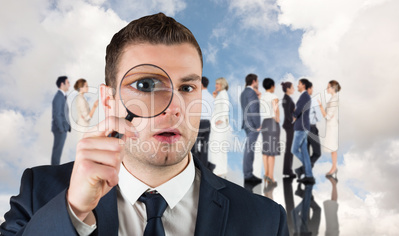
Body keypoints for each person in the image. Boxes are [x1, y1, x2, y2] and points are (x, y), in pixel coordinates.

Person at [1, 13, 288, 236]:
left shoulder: (264, 219)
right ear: (109, 99)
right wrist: (73, 212)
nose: (174, 108)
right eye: (146, 84)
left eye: (187, 88)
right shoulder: (40, 192)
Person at [295, 81, 322, 179]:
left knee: (307, 154)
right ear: (308, 88)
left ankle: (304, 172)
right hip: (312, 128)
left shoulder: (302, 100)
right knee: (317, 153)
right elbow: (319, 117)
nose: (312, 91)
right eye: (312, 88)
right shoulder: (313, 101)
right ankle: (302, 170)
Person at [240, 73, 262, 184]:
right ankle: (248, 175)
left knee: (249, 148)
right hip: (252, 124)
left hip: (246, 123)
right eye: (257, 81)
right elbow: (253, 109)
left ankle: (248, 173)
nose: (257, 82)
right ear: (253, 81)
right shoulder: (251, 93)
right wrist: (258, 125)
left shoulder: (244, 93)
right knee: (249, 149)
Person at [292, 78, 314, 184]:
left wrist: (293, 115)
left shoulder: (304, 96)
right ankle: (309, 175)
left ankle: (307, 169)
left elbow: (299, 109)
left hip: (301, 128)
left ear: (303, 85)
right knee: (304, 152)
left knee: (294, 150)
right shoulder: (306, 96)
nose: (297, 86)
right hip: (304, 127)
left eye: (299, 84)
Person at [191, 76, 215, 171]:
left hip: (199, 122)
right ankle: (204, 168)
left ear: (201, 84)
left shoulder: (199, 96)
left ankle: (195, 166)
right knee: (205, 147)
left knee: (194, 145)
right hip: (207, 123)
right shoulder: (211, 97)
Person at [260, 78, 280, 185]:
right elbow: (275, 108)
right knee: (272, 151)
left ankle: (266, 173)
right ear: (272, 86)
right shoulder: (274, 97)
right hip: (272, 122)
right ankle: (271, 177)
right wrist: (277, 118)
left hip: (264, 123)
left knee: (265, 150)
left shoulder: (262, 98)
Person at [318, 80, 341, 177]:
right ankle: (334, 166)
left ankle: (334, 167)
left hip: (332, 126)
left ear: (333, 88)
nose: (326, 89)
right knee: (332, 147)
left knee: (333, 147)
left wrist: (320, 107)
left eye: (328, 87)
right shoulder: (333, 98)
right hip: (331, 125)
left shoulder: (334, 99)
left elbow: (328, 116)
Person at [209, 77, 231, 177]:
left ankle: (219, 171)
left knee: (217, 146)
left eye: (217, 84)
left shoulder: (223, 94)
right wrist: (214, 98)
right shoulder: (219, 95)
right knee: (216, 146)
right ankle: (219, 170)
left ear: (222, 84)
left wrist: (221, 119)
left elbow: (225, 107)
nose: (215, 86)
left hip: (220, 124)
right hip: (216, 124)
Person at [50, 76, 71, 165]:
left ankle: (55, 169)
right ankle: (54, 170)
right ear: (62, 84)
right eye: (68, 83)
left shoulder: (62, 96)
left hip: (63, 128)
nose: (69, 85)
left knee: (58, 151)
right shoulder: (58, 97)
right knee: (57, 151)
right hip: (60, 129)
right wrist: (62, 129)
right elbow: (57, 114)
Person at [281, 82, 296, 178]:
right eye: (292, 87)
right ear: (288, 89)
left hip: (290, 125)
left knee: (290, 147)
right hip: (289, 125)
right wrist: (292, 119)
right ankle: (287, 170)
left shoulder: (288, 98)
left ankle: (288, 170)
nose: (293, 89)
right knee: (289, 148)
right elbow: (287, 113)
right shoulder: (286, 99)